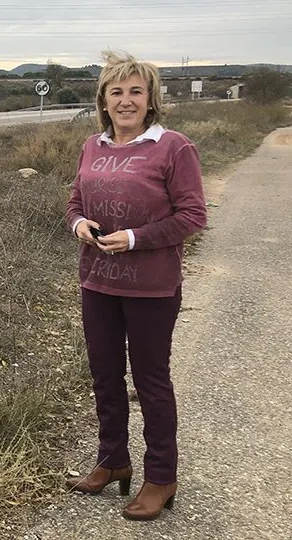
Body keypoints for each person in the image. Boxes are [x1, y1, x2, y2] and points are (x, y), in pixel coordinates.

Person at [64, 51, 207, 521]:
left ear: (151, 99)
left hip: (152, 288)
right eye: (116, 91)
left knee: (150, 382)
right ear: (103, 100)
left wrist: (134, 239)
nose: (125, 101)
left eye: (135, 92)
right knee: (105, 376)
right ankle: (112, 460)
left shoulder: (173, 147)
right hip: (97, 281)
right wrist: (81, 223)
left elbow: (192, 216)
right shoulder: (93, 145)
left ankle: (161, 477)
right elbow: (74, 202)